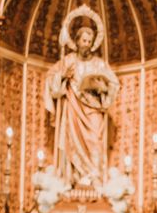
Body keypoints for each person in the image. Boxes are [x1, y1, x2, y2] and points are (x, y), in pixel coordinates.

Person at [45, 25, 119, 190]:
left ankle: (94, 178)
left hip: (93, 110)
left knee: (94, 141)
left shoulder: (99, 64)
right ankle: (73, 179)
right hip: (73, 109)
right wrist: (62, 77)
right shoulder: (68, 61)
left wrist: (103, 88)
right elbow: (50, 80)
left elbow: (114, 84)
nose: (87, 44)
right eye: (84, 40)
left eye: (90, 41)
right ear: (76, 42)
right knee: (72, 143)